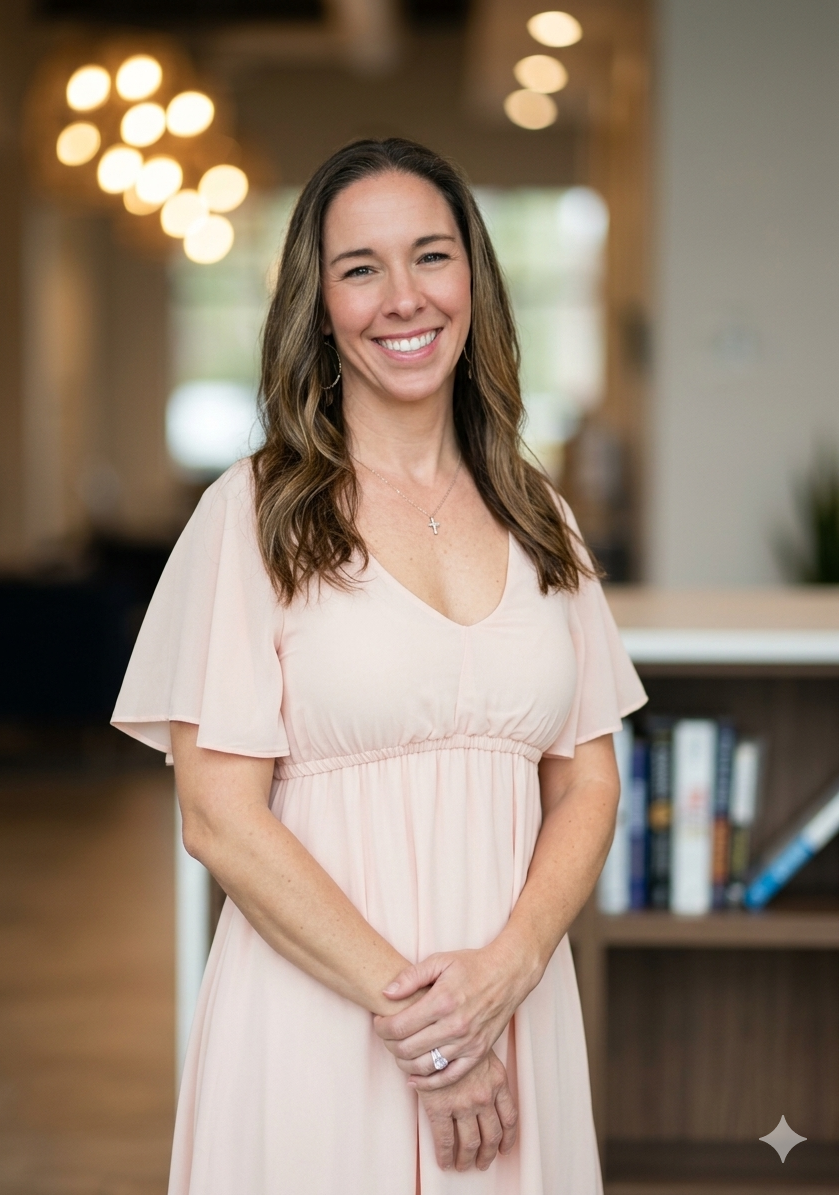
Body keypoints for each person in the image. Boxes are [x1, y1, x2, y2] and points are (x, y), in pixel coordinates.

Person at [112, 137, 646, 1195]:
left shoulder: (540, 519)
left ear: (473, 282)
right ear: (319, 307)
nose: (403, 298)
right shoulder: (249, 515)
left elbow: (585, 778)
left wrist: (506, 972)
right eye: (360, 269)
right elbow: (218, 817)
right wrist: (430, 1034)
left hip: (513, 1010)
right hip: (323, 1018)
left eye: (430, 257)